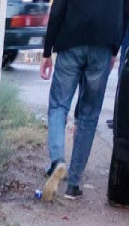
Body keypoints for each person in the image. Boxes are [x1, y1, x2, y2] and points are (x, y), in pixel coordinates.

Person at [40, 0, 129, 200]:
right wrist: (114, 50)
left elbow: (58, 8)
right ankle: (73, 185)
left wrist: (47, 51)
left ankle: (57, 161)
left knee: (58, 105)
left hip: (71, 42)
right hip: (103, 47)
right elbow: (125, 13)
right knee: (89, 116)